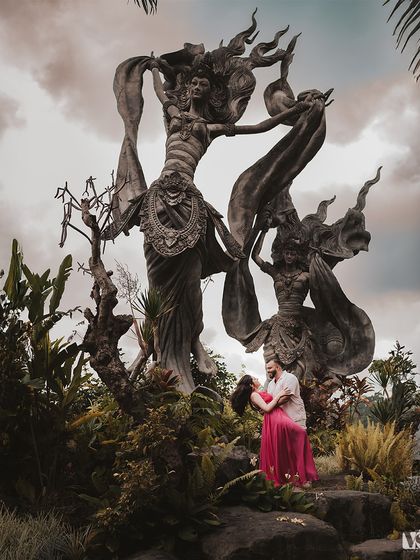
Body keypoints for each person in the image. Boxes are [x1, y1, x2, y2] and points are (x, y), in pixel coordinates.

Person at [231, 374, 318, 486]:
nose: (257, 378)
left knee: (285, 446)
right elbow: (267, 409)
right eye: (255, 378)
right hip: (274, 418)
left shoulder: (258, 392)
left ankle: (296, 476)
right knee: (300, 433)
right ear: (251, 384)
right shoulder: (253, 395)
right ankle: (301, 476)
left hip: (279, 416)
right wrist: (279, 395)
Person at [266, 359, 307, 428]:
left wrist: (267, 408)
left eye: (270, 368)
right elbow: (270, 400)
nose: (268, 371)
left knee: (298, 438)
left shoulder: (290, 378)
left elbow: (285, 398)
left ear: (278, 367)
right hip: (280, 421)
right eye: (267, 368)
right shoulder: (270, 384)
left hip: (295, 418)